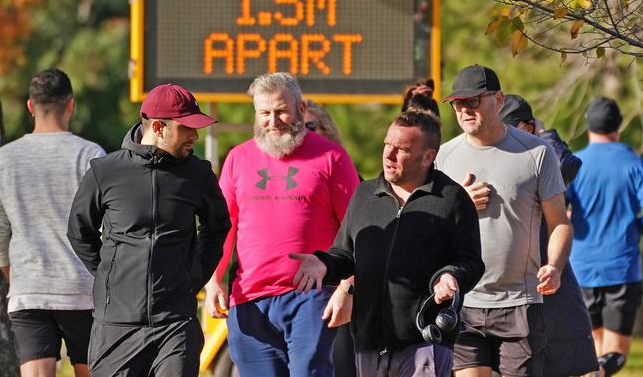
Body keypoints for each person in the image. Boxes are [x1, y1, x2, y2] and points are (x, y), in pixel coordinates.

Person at [291, 110, 485, 377]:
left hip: (424, 341)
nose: (389, 155)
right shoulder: (364, 194)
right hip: (368, 343)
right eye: (387, 145)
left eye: (401, 149)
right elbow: (345, 254)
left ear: (428, 156)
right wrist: (324, 263)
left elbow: (471, 262)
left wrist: (450, 276)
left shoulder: (452, 199)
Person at [67, 83, 231, 376]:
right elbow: (80, 231)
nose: (195, 135)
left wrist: (193, 274)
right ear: (158, 127)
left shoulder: (198, 174)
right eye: (187, 128)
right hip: (116, 325)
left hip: (175, 323)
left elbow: (217, 226)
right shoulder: (104, 171)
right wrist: (111, 276)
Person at [204, 72, 360, 376]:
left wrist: (347, 288)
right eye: (264, 112)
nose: (272, 120)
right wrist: (213, 281)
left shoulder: (332, 157)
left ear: (300, 110)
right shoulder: (238, 158)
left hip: (312, 295)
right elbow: (222, 228)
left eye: (281, 110)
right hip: (249, 298)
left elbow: (358, 229)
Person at [435, 64, 573, 377]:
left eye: (473, 101)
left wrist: (555, 266)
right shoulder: (443, 157)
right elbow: (429, 228)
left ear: (498, 100)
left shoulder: (536, 153)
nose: (464, 110)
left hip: (520, 301)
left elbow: (560, 222)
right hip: (464, 298)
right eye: (458, 103)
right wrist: (460, 205)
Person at [0, 69, 105, 377]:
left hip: (29, 290)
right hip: (82, 290)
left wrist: (14, 276)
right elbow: (106, 226)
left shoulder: (5, 159)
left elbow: (0, 233)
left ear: (30, 106)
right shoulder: (90, 155)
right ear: (70, 105)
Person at [500, 94, 598, 377]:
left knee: (561, 359)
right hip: (505, 284)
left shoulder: (542, 156)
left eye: (510, 127)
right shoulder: (492, 157)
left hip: (548, 274)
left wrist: (543, 134)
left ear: (528, 127)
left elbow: (568, 165)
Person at [566, 97, 643, 376]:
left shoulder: (575, 165)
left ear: (589, 125)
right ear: (618, 126)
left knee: (591, 353)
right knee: (614, 357)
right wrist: (636, 228)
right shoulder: (634, 163)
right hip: (622, 268)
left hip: (581, 269)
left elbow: (556, 211)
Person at [304, 99, 358, 377]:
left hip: (335, 295)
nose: (301, 132)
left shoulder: (345, 175)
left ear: (328, 130)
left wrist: (345, 289)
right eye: (296, 126)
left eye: (309, 126)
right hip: (295, 298)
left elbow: (361, 239)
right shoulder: (282, 179)